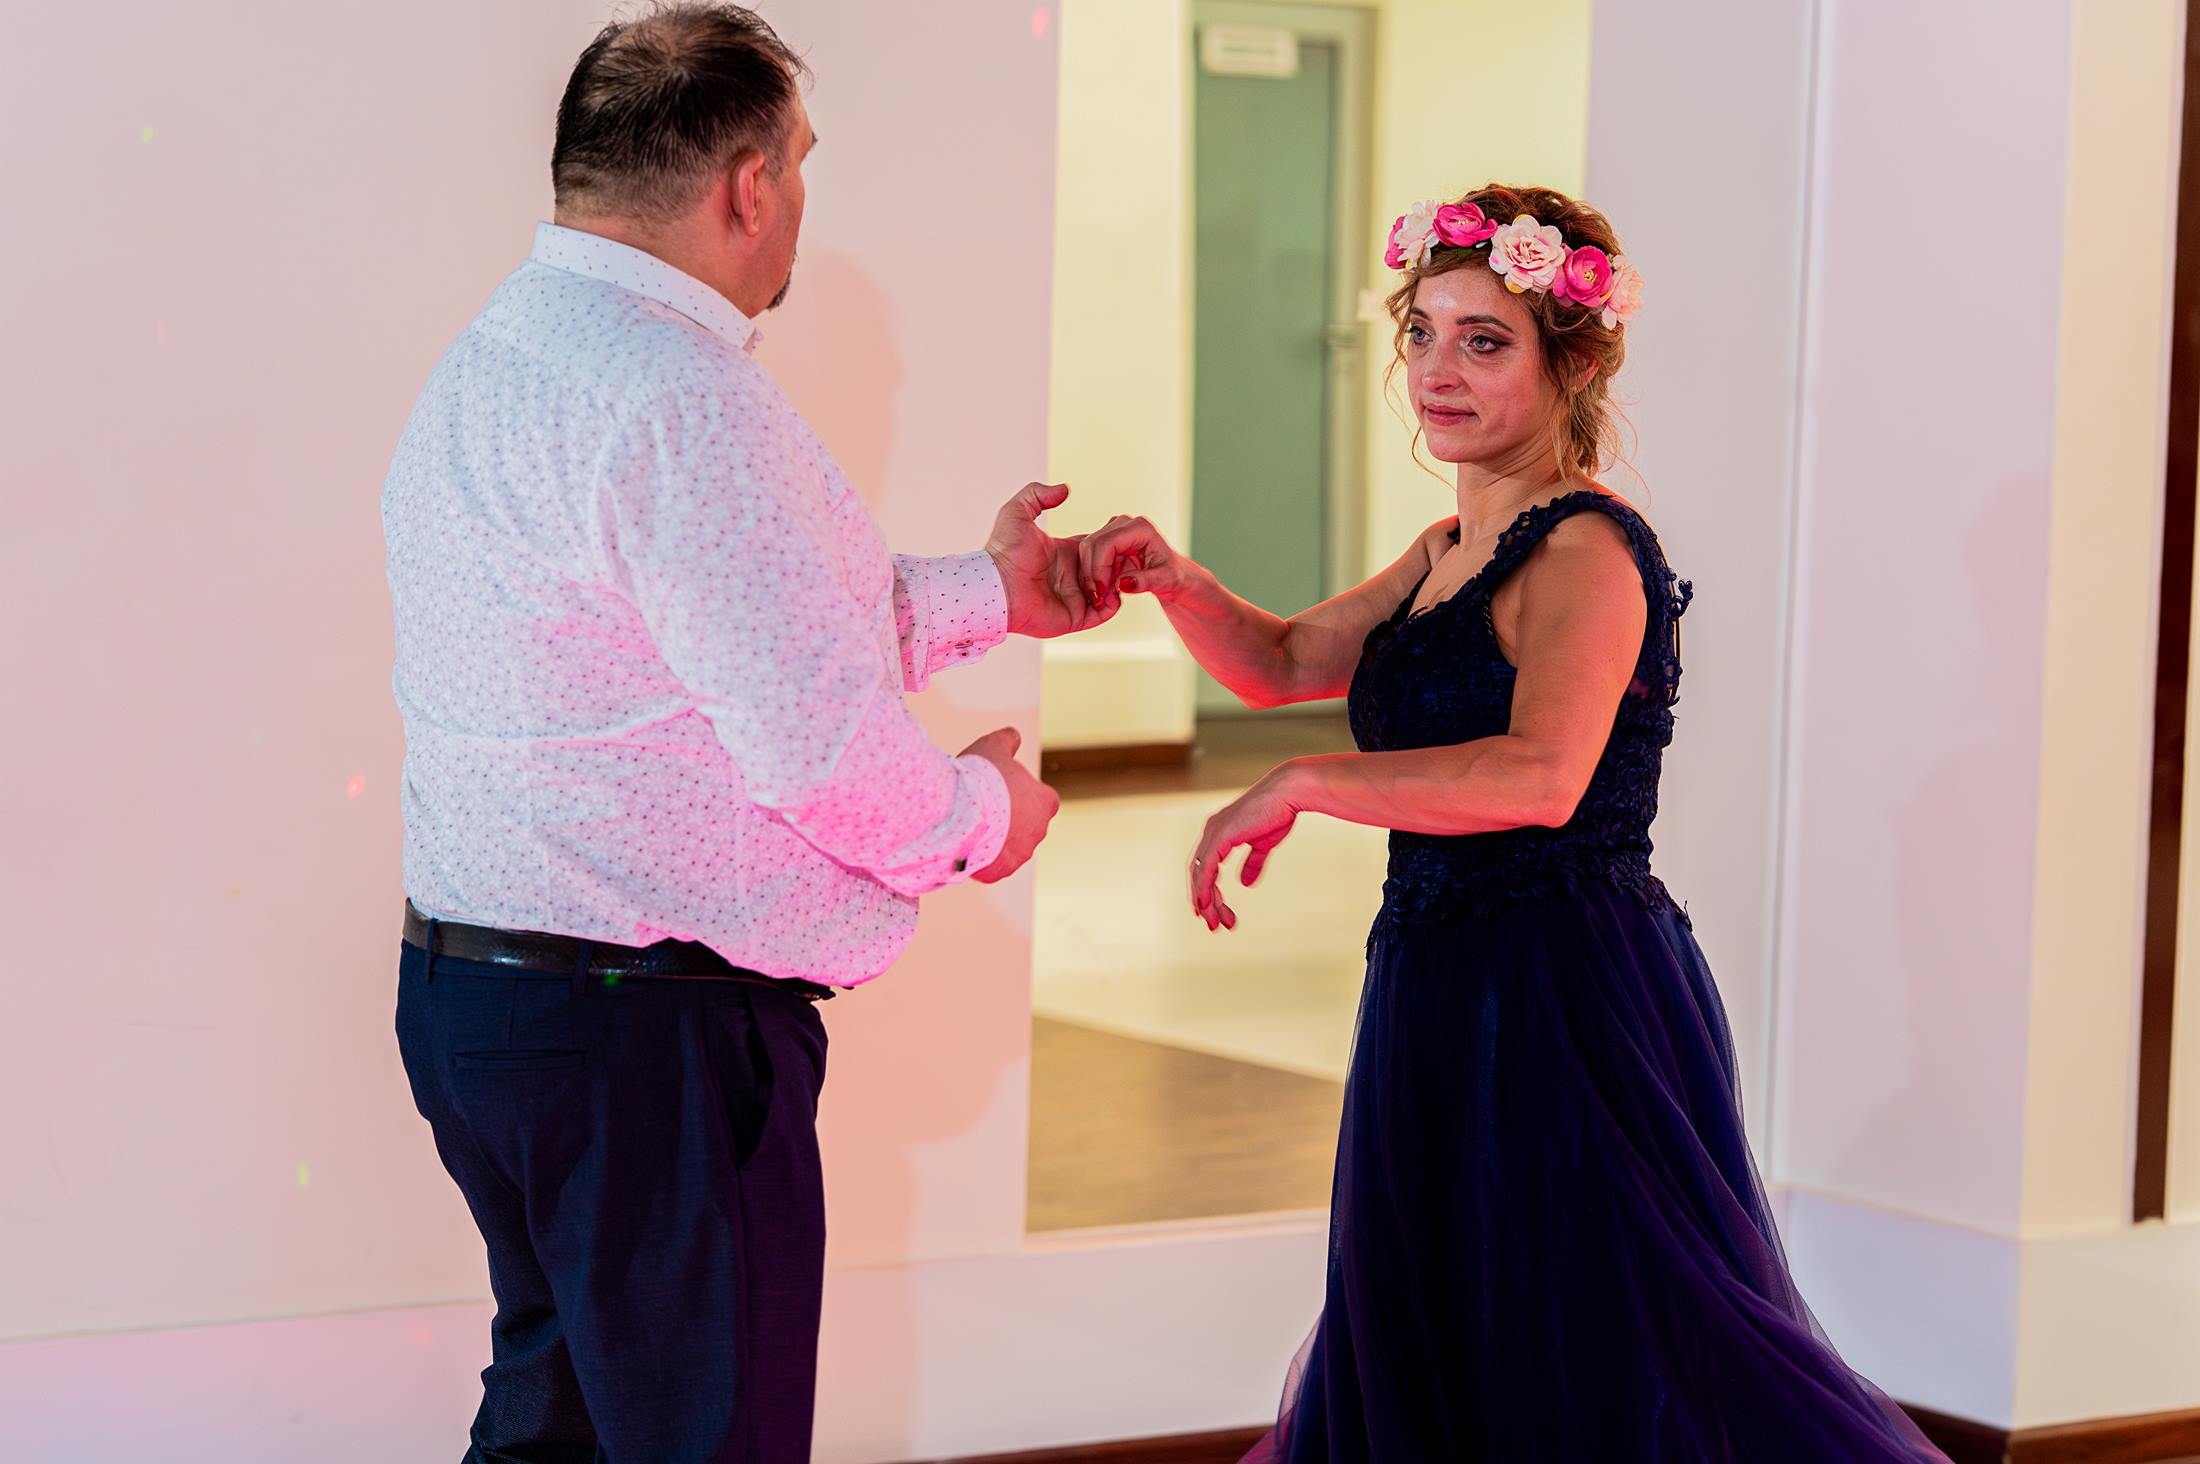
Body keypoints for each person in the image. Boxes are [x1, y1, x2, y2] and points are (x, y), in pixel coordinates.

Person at [1075, 184, 1948, 1461]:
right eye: (1421, 333)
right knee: (1442, 1316)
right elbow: (1280, 659)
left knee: (1579, 1335)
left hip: (1561, 986)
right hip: (1434, 971)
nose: (1437, 371)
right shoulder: (1448, 543)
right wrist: (1174, 580)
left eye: (1484, 341)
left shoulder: (1587, 550)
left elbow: (1541, 777)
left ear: (1572, 361)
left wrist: (1305, 782)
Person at [381, 7, 1107, 1458]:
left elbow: (705, 635)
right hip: (640, 1035)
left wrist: (995, 594)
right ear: (749, 183)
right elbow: (813, 742)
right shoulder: (676, 393)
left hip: (485, 1003)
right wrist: (981, 818)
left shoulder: (500, 352)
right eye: (804, 161)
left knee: (555, 1429)